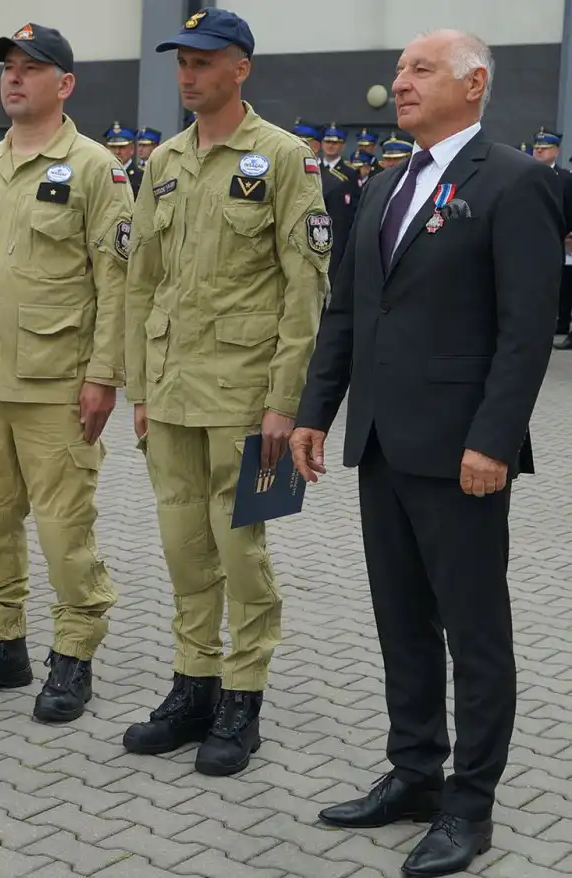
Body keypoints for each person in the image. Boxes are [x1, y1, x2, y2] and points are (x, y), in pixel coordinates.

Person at [290, 30, 562, 877]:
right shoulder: (382, 186)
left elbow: (526, 334)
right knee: (402, 623)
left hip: (461, 455)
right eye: (399, 69)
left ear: (474, 83)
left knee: (474, 633)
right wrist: (314, 412)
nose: (398, 83)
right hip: (379, 441)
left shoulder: (518, 184)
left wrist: (492, 439)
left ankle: (469, 805)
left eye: (419, 70)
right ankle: (413, 774)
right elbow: (347, 314)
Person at [122, 8, 329, 775]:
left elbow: (305, 289)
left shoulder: (284, 158)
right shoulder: (166, 160)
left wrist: (286, 401)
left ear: (240, 67)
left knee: (242, 550)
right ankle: (194, 685)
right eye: (182, 59)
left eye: (204, 61)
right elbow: (140, 281)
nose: (188, 73)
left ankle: (244, 697)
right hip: (171, 393)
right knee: (183, 548)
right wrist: (138, 388)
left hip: (249, 399)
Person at [0, 22, 131, 724]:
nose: (14, 78)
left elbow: (118, 282)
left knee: (62, 533)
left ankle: (73, 657)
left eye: (32, 67)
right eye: (8, 68)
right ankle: (2, 643)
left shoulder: (95, 169)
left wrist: (104, 377)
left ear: (64, 83)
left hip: (56, 386)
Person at [293, 120, 359, 283]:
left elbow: (349, 212)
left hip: (331, 239)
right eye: (327, 142)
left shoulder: (345, 176)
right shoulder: (297, 171)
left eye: (335, 143)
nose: (330, 146)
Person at [533, 129, 572, 347]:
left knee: (554, 287)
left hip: (556, 240)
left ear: (556, 151)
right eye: (537, 147)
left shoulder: (565, 179)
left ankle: (553, 325)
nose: (538, 151)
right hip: (525, 241)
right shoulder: (520, 172)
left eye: (544, 148)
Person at [103, 121, 142, 197]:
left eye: (122, 147)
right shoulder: (102, 175)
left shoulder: (141, 177)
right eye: (113, 147)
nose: (117, 152)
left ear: (132, 149)